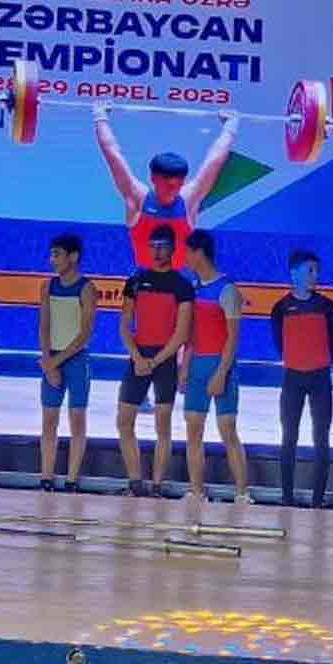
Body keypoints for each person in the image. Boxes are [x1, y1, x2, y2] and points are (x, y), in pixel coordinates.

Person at [94, 104, 241, 269]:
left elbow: (216, 159)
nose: (173, 189)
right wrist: (101, 118)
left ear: (183, 182)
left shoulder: (188, 199)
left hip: (179, 279)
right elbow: (112, 154)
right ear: (153, 179)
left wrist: (230, 128)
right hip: (145, 278)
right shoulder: (138, 197)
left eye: (177, 184)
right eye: (167, 183)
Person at [118, 224, 194, 497]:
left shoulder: (182, 286)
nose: (157, 251)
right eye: (152, 246)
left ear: (173, 249)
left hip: (165, 361)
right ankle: (135, 483)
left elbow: (182, 333)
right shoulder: (136, 281)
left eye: (162, 246)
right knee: (124, 421)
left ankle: (158, 486)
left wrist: (155, 361)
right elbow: (125, 326)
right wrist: (138, 357)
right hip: (138, 359)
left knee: (163, 425)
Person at [180, 229, 254, 505]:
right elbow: (191, 335)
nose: (185, 259)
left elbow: (233, 338)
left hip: (221, 366)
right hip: (197, 366)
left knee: (227, 430)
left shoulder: (227, 290)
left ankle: (242, 493)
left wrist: (221, 374)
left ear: (199, 253)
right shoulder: (193, 289)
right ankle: (197, 491)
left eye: (188, 253)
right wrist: (184, 368)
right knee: (193, 429)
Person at [270, 249, 333, 508]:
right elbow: (280, 343)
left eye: (317, 270)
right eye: (310, 270)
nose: (315, 275)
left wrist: (318, 362)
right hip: (293, 379)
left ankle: (317, 500)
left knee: (321, 437)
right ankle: (287, 497)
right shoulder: (280, 308)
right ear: (294, 273)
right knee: (289, 436)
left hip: (320, 378)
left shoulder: (327, 306)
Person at [38, 232, 96, 492]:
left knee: (77, 419)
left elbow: (84, 334)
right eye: (52, 255)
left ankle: (72, 479)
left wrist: (56, 362)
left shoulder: (87, 289)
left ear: (73, 257)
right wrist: (47, 360)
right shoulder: (47, 287)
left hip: (76, 361)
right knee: (49, 419)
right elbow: (44, 326)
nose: (52, 260)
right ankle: (46, 477)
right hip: (52, 358)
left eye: (57, 255)